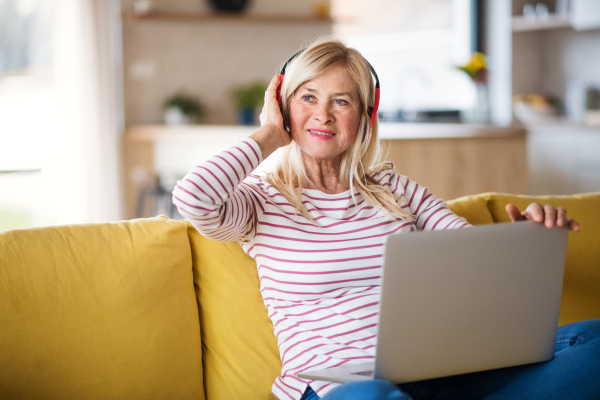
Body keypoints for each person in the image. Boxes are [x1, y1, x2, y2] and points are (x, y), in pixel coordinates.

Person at [172, 38, 599, 400]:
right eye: (307, 98)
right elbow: (192, 198)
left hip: (440, 375)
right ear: (283, 105)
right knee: (372, 395)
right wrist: (269, 133)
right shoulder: (261, 202)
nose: (323, 115)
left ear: (364, 116)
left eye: (341, 101)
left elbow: (475, 263)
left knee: (593, 345)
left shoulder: (397, 191)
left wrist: (529, 237)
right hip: (336, 387)